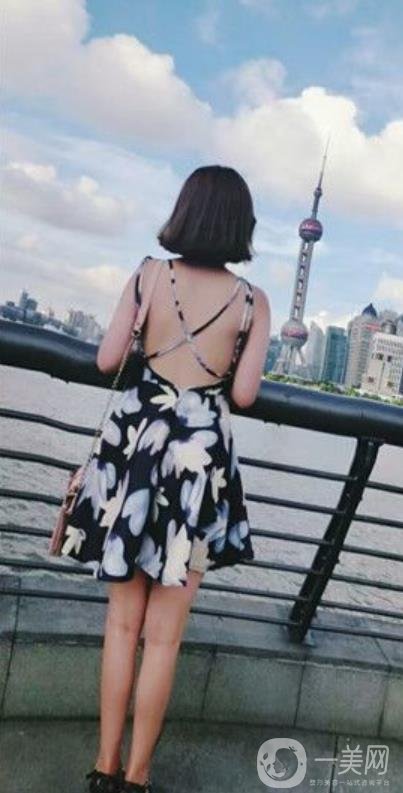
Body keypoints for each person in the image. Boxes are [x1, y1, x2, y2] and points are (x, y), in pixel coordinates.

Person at [63, 164, 271, 793]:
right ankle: (138, 777)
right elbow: (245, 394)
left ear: (184, 213)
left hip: (134, 451)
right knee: (164, 639)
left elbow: (107, 359)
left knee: (122, 626)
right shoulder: (253, 301)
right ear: (239, 226)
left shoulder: (149, 274)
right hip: (198, 464)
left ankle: (103, 768)